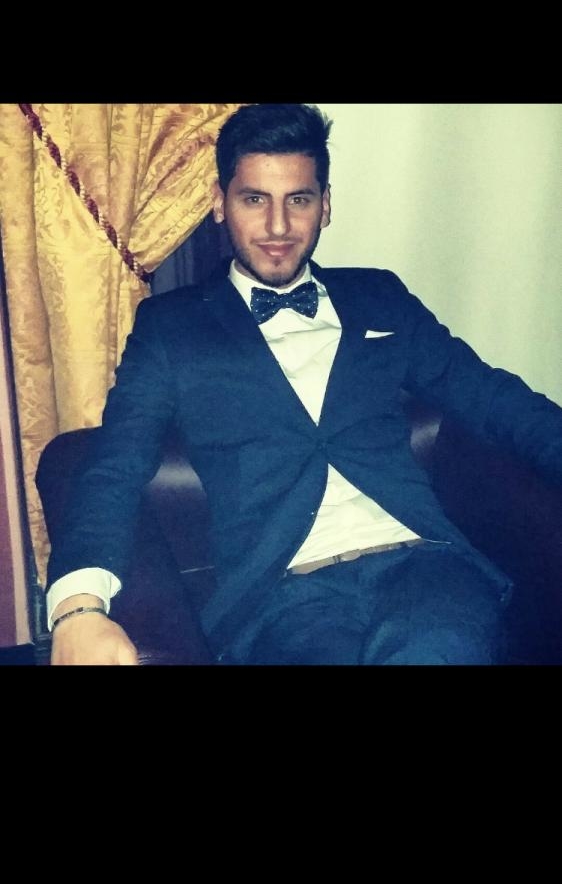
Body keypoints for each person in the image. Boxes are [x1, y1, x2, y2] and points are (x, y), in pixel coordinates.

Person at [46, 103, 562, 665]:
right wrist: (78, 606)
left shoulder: (380, 296)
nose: (278, 227)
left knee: (435, 650)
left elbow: (493, 399)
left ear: (325, 205)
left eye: (298, 199)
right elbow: (115, 464)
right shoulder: (171, 328)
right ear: (219, 203)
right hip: (281, 597)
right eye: (254, 199)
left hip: (422, 567)